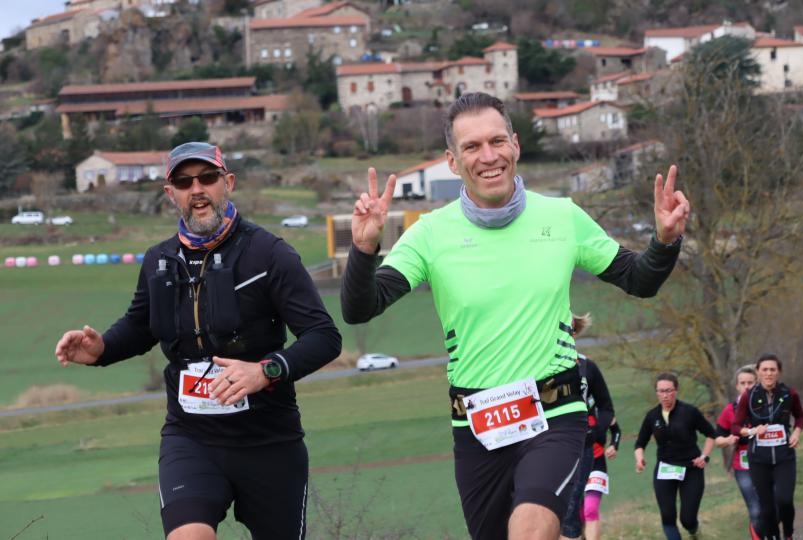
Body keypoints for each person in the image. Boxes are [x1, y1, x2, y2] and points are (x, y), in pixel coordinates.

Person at [341, 92, 690, 540]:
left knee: (530, 530)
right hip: (477, 426)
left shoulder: (562, 217)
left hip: (555, 414)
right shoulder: (430, 234)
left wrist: (663, 242)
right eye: (471, 147)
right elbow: (360, 307)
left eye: (497, 141)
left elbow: (639, 279)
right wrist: (365, 248)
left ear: (516, 145)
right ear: (452, 161)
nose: (488, 156)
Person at [55, 142, 341, 540]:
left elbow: (324, 336)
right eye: (184, 182)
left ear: (228, 183)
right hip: (192, 440)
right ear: (170, 193)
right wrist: (101, 349)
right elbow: (140, 327)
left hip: (269, 442)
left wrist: (265, 371)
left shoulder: (270, 254)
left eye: (208, 178)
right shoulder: (158, 260)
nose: (197, 190)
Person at [732, 354, 803, 540]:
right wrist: (752, 431)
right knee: (766, 507)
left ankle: (788, 534)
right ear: (758, 372)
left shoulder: (790, 393)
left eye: (772, 369)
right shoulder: (749, 396)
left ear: (779, 372)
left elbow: (800, 417)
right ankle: (773, 536)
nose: (768, 373)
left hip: (784, 457)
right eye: (764, 369)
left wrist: (796, 432)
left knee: (784, 500)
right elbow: (735, 426)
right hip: (759, 459)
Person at [634, 373, 716, 540]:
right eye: (661, 391)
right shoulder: (652, 416)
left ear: (676, 390)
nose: (665, 395)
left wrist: (704, 456)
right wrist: (639, 459)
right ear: (656, 392)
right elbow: (640, 443)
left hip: (691, 469)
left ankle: (694, 532)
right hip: (665, 468)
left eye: (668, 390)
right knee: (668, 516)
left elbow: (711, 434)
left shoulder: (690, 412)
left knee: (687, 519)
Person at [560, 314, 615, 540]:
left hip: (584, 446)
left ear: (574, 333)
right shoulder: (540, 367)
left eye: (567, 330)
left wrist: (597, 431)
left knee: (575, 506)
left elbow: (606, 407)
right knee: (558, 507)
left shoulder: (587, 366)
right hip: (551, 446)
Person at [714, 365, 762, 539]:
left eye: (751, 382)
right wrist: (727, 440)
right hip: (743, 467)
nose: (747, 386)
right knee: (756, 511)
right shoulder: (730, 410)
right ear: (737, 386)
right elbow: (717, 438)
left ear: (757, 384)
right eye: (743, 383)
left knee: (773, 506)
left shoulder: (765, 407)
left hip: (767, 462)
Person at [582, 416, 621, 540]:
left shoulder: (600, 409)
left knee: (590, 509)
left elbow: (616, 430)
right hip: (574, 467)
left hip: (596, 464)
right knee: (576, 515)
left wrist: (614, 445)